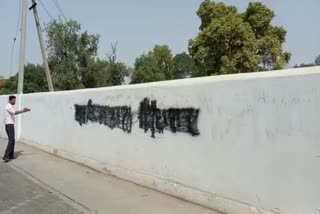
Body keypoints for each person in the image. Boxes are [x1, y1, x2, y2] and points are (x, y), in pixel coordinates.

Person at [3, 95, 30, 162]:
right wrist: (23, 110)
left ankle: (11, 155)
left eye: (15, 100)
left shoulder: (10, 106)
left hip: (10, 125)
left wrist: (23, 111)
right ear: (9, 100)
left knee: (12, 140)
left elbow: (15, 113)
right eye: (13, 100)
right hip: (9, 125)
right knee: (11, 140)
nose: (14, 101)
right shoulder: (8, 106)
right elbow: (15, 112)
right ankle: (6, 156)